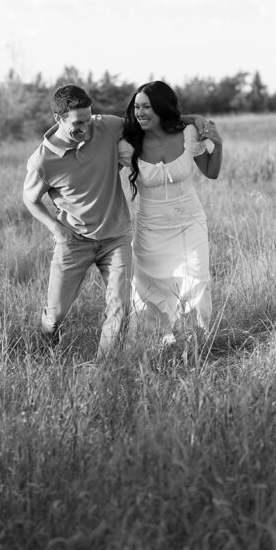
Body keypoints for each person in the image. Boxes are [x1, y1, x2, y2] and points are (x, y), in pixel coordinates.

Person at [23, 83, 212, 358]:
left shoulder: (105, 127)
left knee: (120, 310)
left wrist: (192, 119)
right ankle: (43, 351)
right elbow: (30, 198)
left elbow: (150, 119)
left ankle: (104, 368)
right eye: (78, 123)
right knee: (55, 314)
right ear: (59, 119)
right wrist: (57, 229)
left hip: (115, 239)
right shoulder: (43, 160)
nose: (85, 127)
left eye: (88, 119)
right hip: (74, 241)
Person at [119, 81, 223, 345]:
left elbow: (211, 172)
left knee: (197, 280)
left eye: (147, 107)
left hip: (189, 221)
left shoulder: (187, 134)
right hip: (150, 227)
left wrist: (217, 145)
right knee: (149, 288)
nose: (140, 113)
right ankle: (157, 341)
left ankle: (197, 341)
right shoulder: (128, 141)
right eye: (137, 107)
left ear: (162, 109)